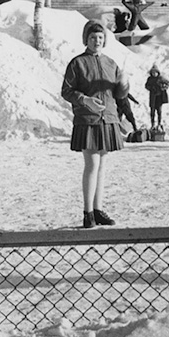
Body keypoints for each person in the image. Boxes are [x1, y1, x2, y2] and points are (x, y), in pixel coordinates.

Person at [61, 20, 128, 229]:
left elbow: (118, 94)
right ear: (86, 39)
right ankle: (87, 212)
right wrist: (85, 100)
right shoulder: (77, 63)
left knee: (102, 167)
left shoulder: (111, 63)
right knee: (92, 165)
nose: (97, 41)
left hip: (108, 119)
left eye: (100, 37)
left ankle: (98, 210)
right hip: (87, 120)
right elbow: (66, 91)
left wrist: (124, 84)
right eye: (92, 37)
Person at [144, 66, 169, 134]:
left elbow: (167, 84)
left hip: (159, 98)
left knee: (159, 111)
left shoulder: (161, 78)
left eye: (155, 72)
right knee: (152, 111)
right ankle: (152, 124)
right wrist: (151, 88)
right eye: (153, 72)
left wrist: (163, 87)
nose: (154, 74)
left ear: (158, 73)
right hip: (152, 97)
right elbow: (146, 86)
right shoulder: (150, 79)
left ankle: (159, 123)